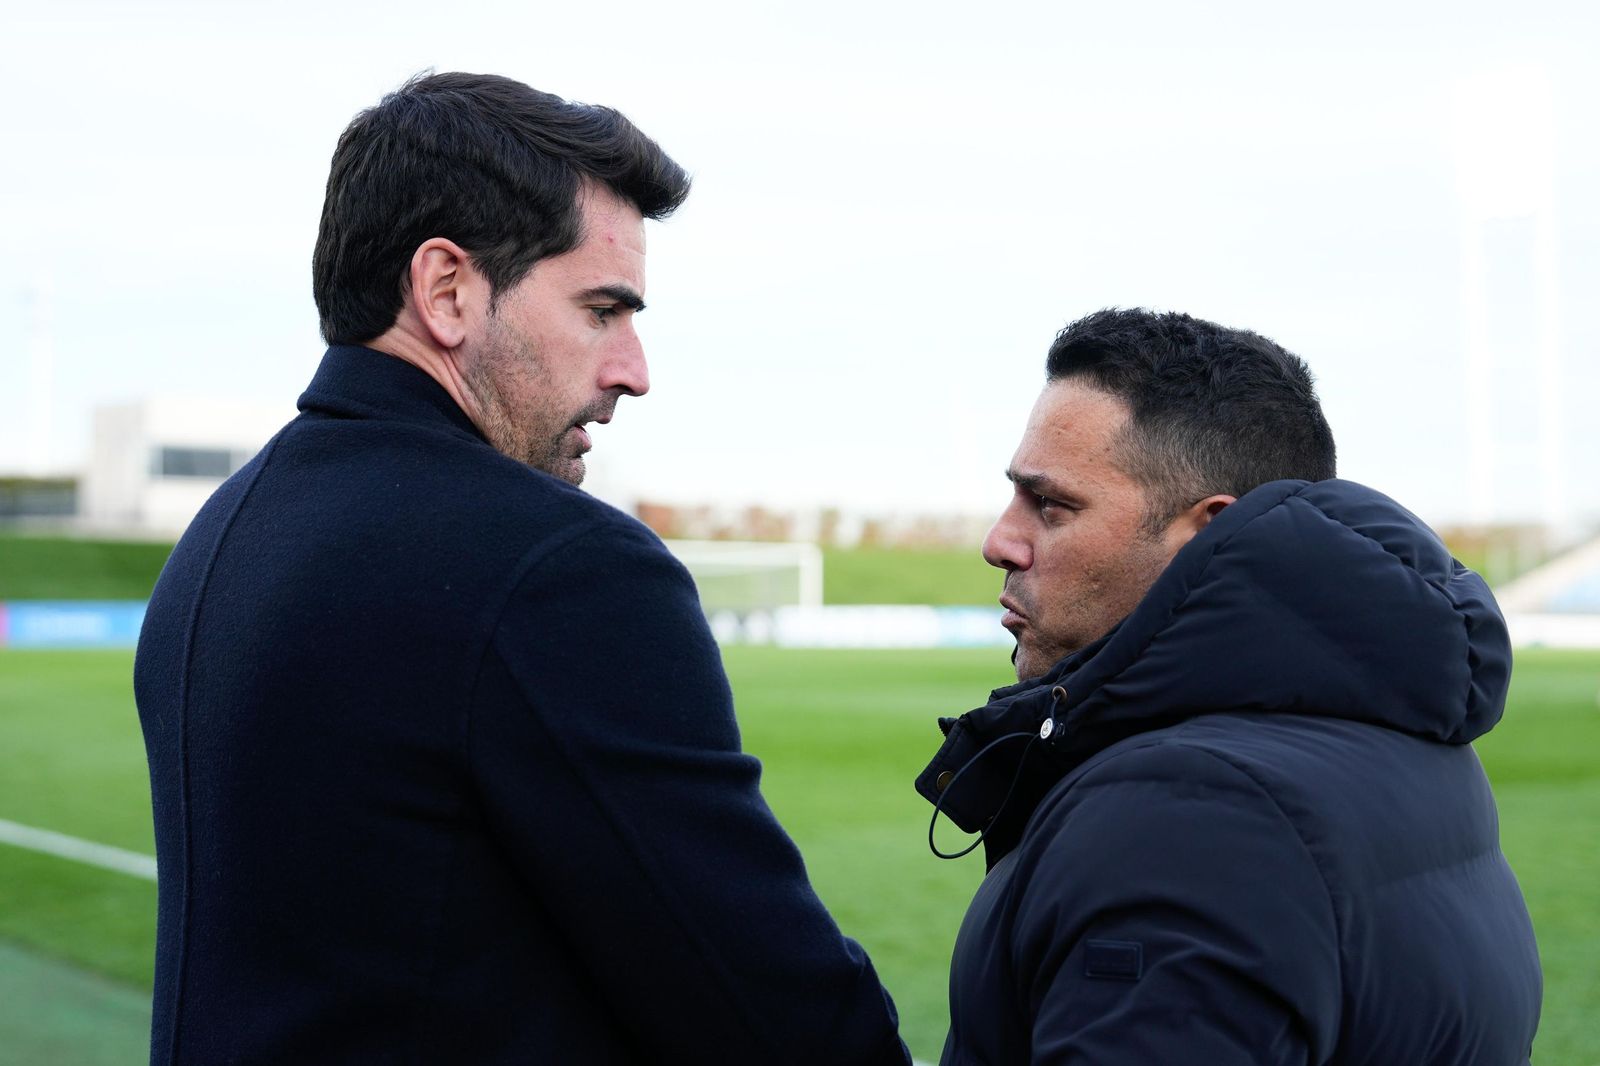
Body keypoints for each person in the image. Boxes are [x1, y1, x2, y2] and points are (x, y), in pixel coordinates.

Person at [135, 72, 909, 1066]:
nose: (634, 368)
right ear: (448, 289)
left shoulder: (221, 535)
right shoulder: (557, 568)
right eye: (602, 309)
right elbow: (772, 1016)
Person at [920, 308, 1542, 1065]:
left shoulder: (1185, 812)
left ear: (1209, 531)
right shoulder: (1402, 736)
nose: (999, 542)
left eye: (1051, 505)